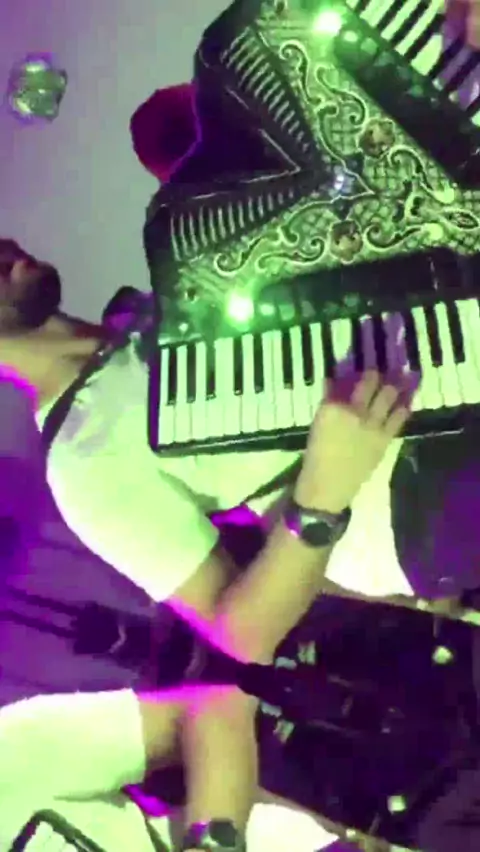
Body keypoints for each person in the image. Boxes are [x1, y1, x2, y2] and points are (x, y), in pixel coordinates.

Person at [0, 238, 419, 851]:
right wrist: (322, 497)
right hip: (404, 492)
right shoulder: (83, 465)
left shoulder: (135, 318)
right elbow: (235, 648)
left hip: (415, 362)